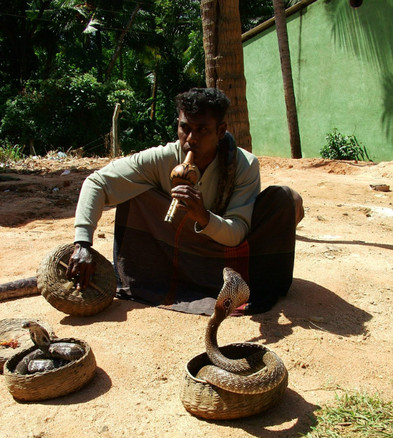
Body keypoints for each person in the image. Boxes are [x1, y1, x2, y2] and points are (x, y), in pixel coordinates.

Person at [67, 87, 303, 315]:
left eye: (202, 130)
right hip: (175, 254)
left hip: (226, 255)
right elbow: (97, 182)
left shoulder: (245, 165)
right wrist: (83, 243)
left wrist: (203, 217)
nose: (191, 139)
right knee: (135, 189)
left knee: (285, 198)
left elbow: (238, 232)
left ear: (221, 131)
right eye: (185, 128)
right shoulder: (163, 158)